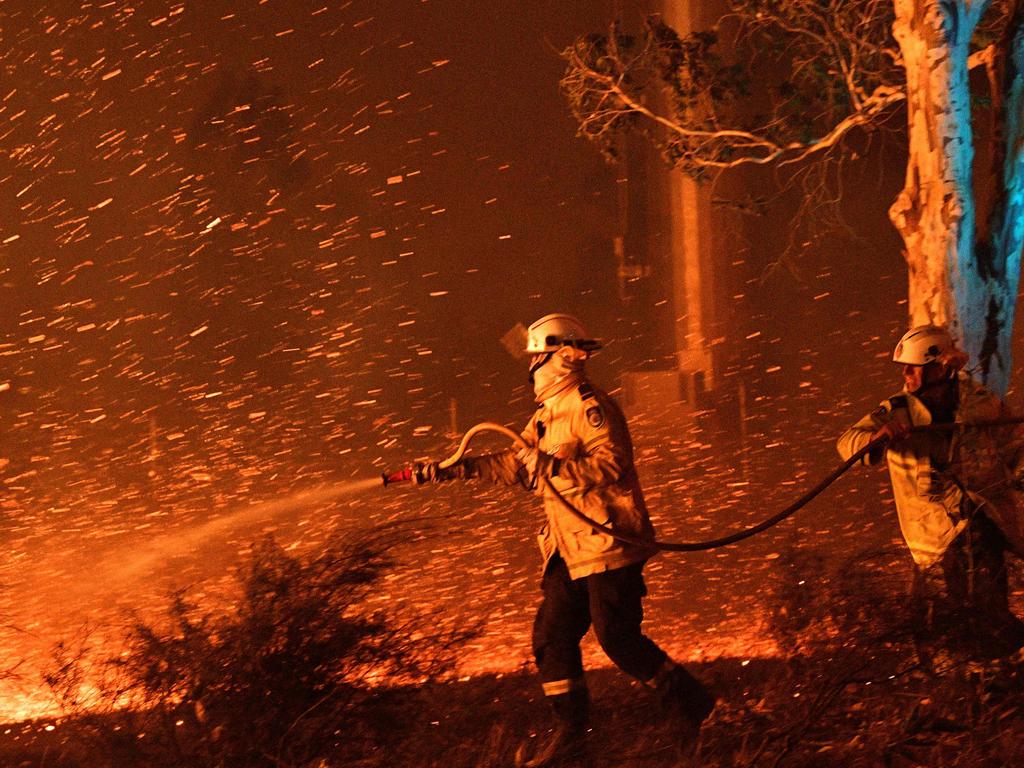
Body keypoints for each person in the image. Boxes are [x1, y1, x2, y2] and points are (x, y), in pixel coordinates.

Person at [418, 313, 715, 756]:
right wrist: (458, 469)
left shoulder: (587, 405)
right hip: (567, 548)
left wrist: (556, 467)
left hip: (608, 543)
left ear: (559, 356)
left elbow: (612, 464)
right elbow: (519, 466)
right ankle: (572, 736)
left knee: (617, 638)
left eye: (537, 357)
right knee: (551, 637)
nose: (532, 367)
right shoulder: (547, 413)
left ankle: (695, 707)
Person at [837, 324, 1024, 662]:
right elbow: (846, 444)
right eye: (905, 367)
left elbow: (1015, 445)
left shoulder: (981, 405)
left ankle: (988, 676)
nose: (906, 374)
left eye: (914, 367)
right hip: (937, 536)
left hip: (986, 524)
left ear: (939, 368)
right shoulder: (897, 411)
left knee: (980, 615)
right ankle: (988, 669)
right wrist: (876, 438)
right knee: (959, 622)